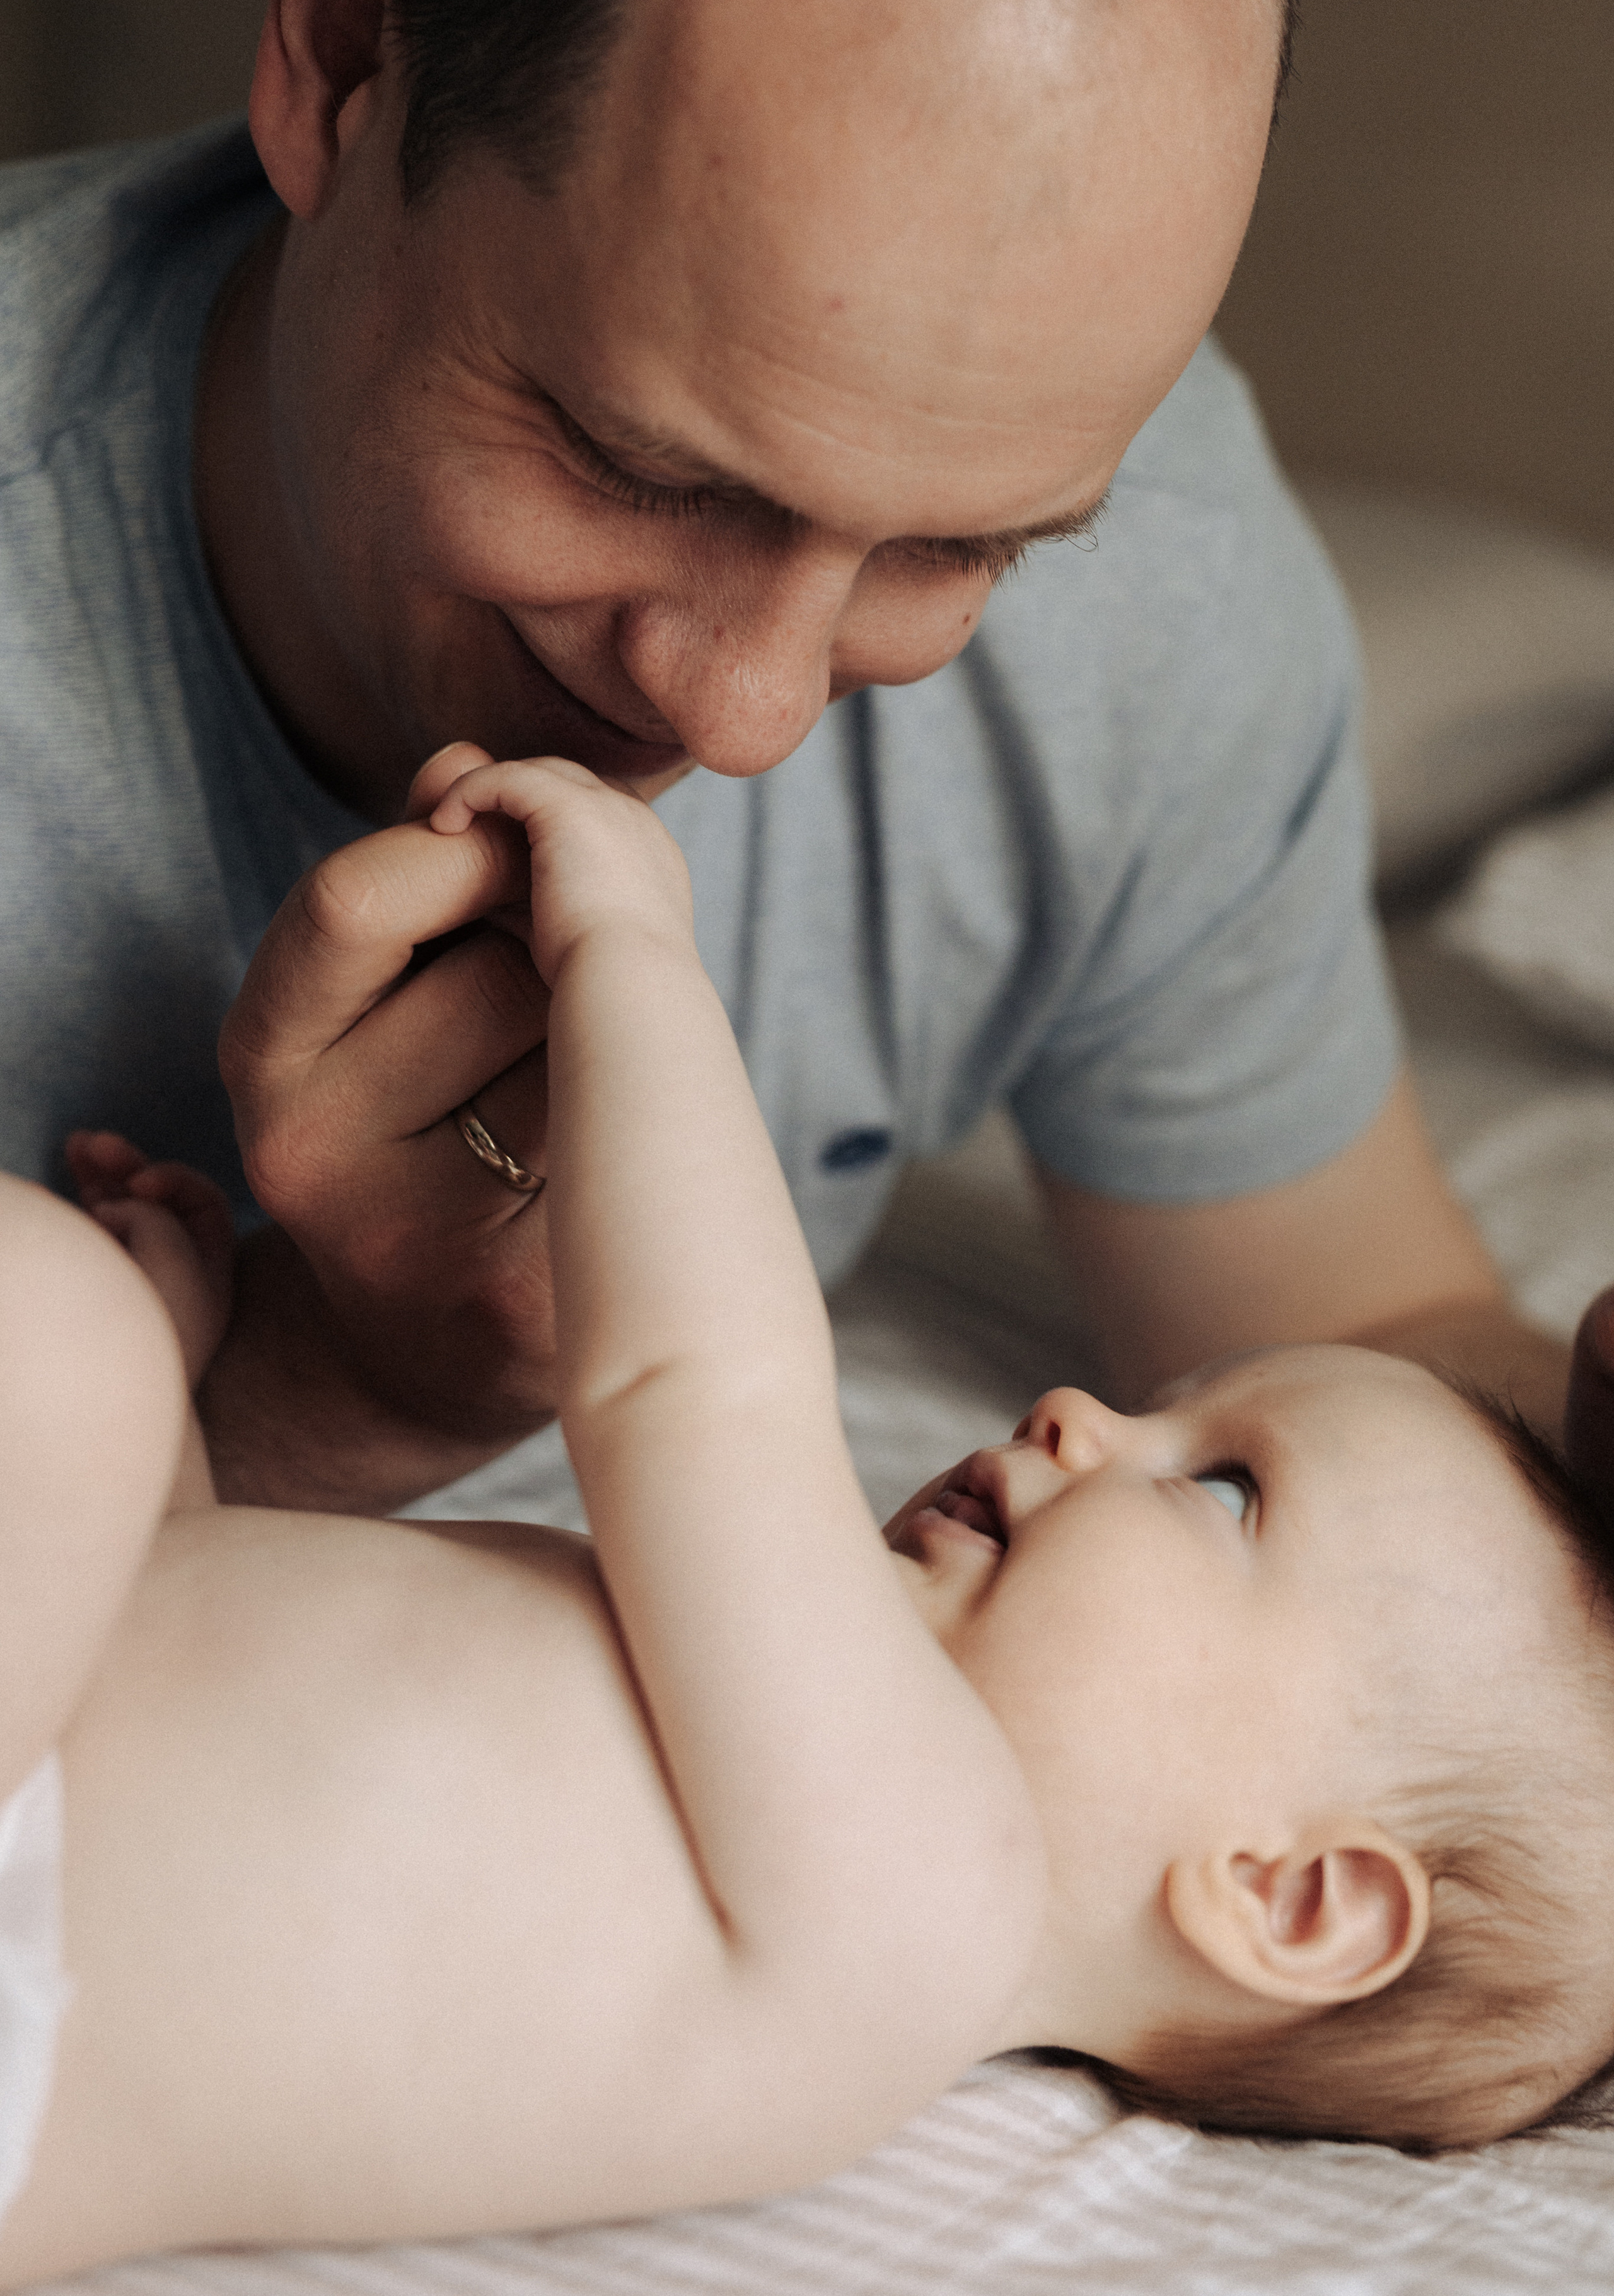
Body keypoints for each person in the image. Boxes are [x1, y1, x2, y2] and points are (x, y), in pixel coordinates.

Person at [0, 0, 1594, 1527]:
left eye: (957, 548)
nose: (749, 720)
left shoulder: (1159, 576)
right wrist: (344, 1396)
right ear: (340, 55)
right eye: (640, 469)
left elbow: (1366, 1329)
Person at [4, 758, 1614, 2287]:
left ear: (1287, 1898)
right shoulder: (829, 1820)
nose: (1075, 1417)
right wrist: (162, 1499)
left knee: (53, 1334)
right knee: (89, 1362)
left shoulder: (923, 1893)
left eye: (1218, 1485)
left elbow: (699, 1386)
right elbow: (232, 1768)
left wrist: (631, 956)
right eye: (1160, 1404)